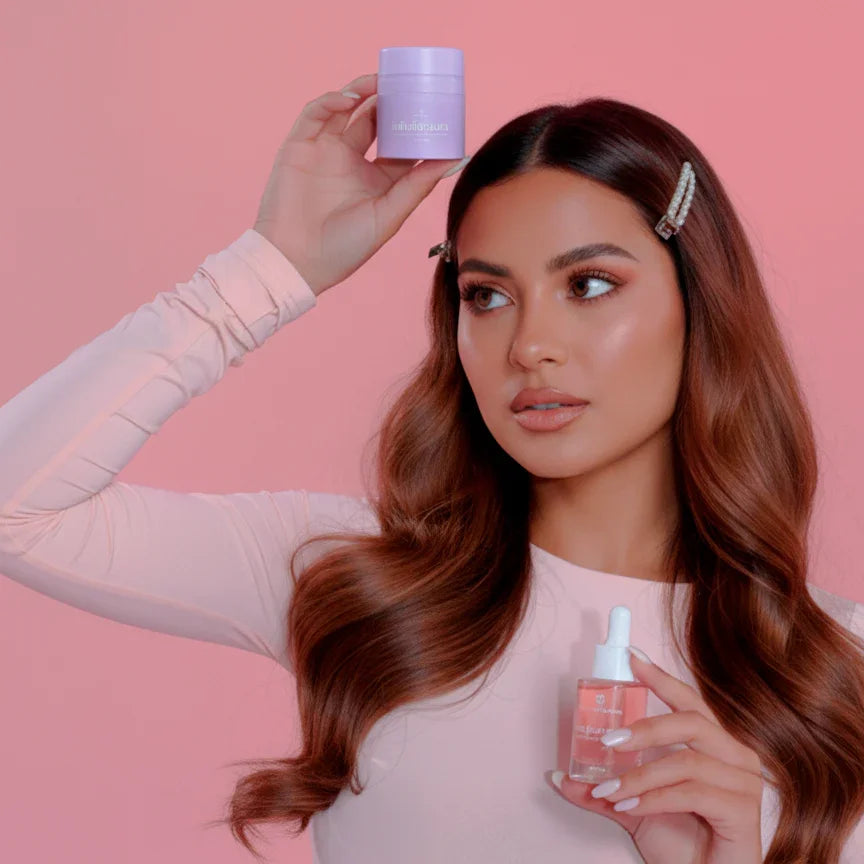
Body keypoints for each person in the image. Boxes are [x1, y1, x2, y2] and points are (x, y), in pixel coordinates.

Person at [1, 71, 863, 864]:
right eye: (485, 295)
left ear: (698, 297)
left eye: (590, 285)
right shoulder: (353, 580)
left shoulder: (838, 675)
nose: (529, 346)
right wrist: (268, 271)